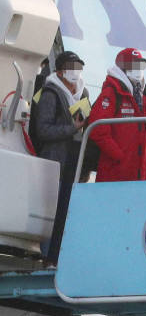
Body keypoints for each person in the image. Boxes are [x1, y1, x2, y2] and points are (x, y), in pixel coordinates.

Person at [34, 50, 90, 263]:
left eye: (79, 67)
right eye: (71, 68)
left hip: (75, 162)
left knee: (67, 211)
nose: (76, 73)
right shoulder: (50, 93)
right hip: (55, 161)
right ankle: (46, 256)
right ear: (60, 71)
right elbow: (43, 130)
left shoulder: (83, 94)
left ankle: (58, 257)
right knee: (52, 211)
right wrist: (71, 128)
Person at [89, 48, 146, 181]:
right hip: (116, 170)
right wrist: (120, 156)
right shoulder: (111, 92)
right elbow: (97, 130)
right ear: (122, 67)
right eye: (133, 65)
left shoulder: (145, 96)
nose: (138, 69)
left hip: (141, 171)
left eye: (141, 65)